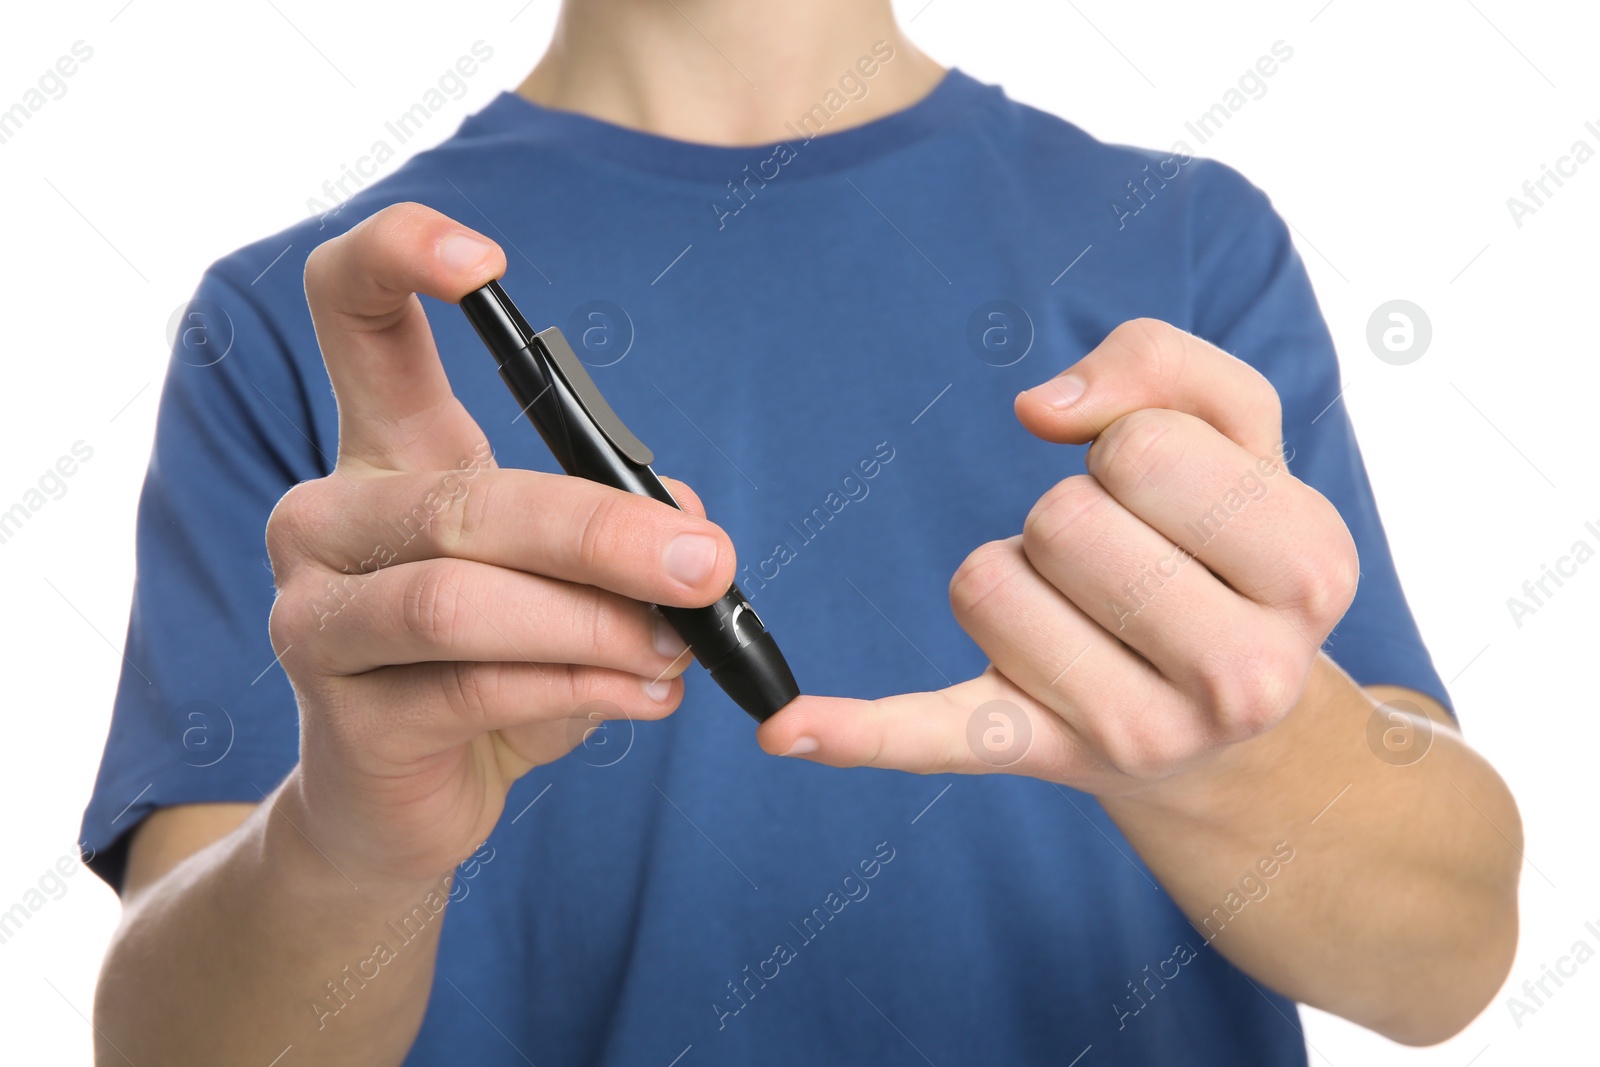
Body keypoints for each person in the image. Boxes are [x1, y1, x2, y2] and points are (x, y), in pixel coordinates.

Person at [80, 1, 1522, 1063]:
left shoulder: (1188, 244)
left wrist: (1248, 757)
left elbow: (1447, 963)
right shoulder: (318, 322)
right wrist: (351, 846)